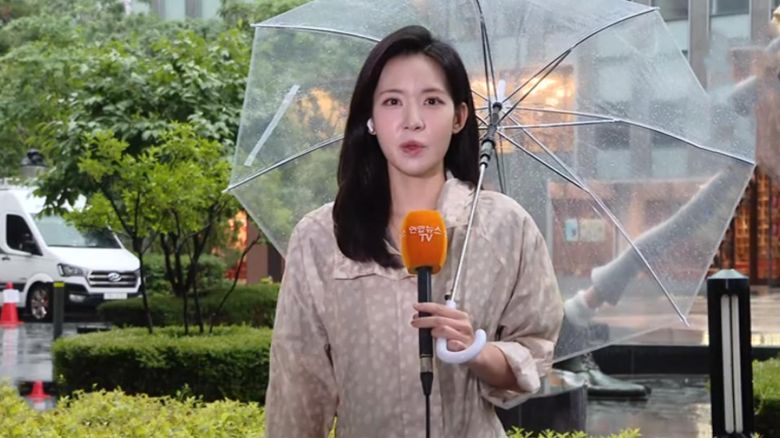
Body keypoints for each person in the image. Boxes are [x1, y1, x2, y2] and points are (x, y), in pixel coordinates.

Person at [264, 25, 563, 438]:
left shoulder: (505, 227)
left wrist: (475, 349)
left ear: (459, 117)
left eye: (432, 101)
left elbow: (534, 352)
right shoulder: (320, 237)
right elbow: (297, 385)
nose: (412, 121)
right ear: (370, 119)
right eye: (392, 101)